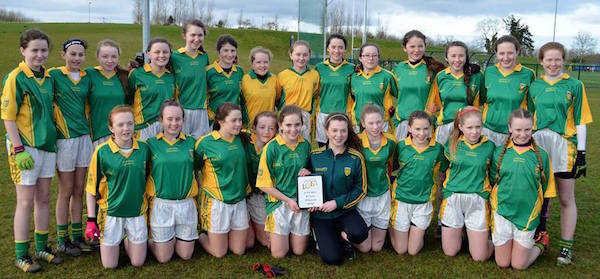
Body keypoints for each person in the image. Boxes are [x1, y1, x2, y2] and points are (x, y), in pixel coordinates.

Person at [528, 42, 592, 266]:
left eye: (557, 59)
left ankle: (566, 247)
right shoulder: (534, 86)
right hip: (538, 143)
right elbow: (527, 117)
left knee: (566, 198)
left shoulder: (575, 85)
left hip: (564, 146)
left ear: (564, 60)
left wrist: (582, 153)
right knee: (539, 193)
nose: (553, 63)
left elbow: (581, 121)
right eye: (549, 59)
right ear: (541, 61)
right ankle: (538, 235)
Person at [2, 29, 61, 273]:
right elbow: (8, 117)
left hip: (47, 145)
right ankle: (21, 254)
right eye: (34, 50)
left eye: (43, 50)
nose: (39, 55)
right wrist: (18, 148)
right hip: (25, 147)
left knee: (44, 198)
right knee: (25, 201)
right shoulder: (16, 77)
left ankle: (41, 247)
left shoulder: (48, 78)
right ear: (23, 50)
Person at [489, 109, 556, 270]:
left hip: (528, 216)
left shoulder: (542, 156)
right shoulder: (499, 153)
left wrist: (543, 223)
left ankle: (540, 244)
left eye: (527, 129)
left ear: (533, 128)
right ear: (510, 128)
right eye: (518, 129)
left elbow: (547, 192)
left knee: (519, 265)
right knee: (503, 263)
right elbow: (492, 184)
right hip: (502, 212)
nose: (523, 134)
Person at [85, 105, 150, 268]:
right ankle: (119, 237)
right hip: (111, 214)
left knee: (137, 262)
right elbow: (91, 189)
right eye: (120, 125)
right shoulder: (101, 152)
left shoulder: (144, 148)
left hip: (137, 212)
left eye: (129, 123)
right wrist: (91, 220)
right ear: (111, 128)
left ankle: (128, 237)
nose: (126, 128)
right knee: (109, 266)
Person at [50, 38, 93, 257]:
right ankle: (61, 239)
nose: (76, 58)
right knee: (65, 190)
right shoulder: (54, 75)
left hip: (84, 137)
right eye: (72, 54)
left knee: (79, 189)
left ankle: (76, 236)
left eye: (80, 54)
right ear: (63, 55)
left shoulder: (87, 77)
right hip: (65, 139)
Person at [308, 113, 368, 265]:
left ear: (348, 132)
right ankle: (326, 237)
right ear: (327, 132)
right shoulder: (314, 156)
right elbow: (306, 185)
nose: (339, 135)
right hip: (322, 215)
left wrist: (337, 203)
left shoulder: (356, 157)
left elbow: (361, 189)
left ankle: (341, 236)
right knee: (332, 259)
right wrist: (304, 175)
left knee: (360, 234)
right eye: (334, 130)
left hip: (344, 211)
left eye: (343, 131)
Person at [195, 102, 251, 258]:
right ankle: (200, 235)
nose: (238, 124)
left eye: (240, 120)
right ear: (220, 121)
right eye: (234, 120)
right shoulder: (205, 143)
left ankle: (221, 235)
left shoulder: (243, 138)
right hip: (217, 201)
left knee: (239, 250)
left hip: (239, 199)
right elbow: (197, 167)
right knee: (219, 253)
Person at [439, 106, 495, 261]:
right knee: (450, 251)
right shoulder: (451, 144)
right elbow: (443, 172)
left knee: (479, 257)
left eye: (478, 127)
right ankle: (464, 234)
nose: (474, 131)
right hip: (453, 198)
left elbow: (492, 175)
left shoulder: (489, 146)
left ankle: (500, 242)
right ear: (461, 126)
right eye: (469, 127)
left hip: (477, 199)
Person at [256, 105, 312, 258]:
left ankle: (279, 234)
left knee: (299, 251)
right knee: (279, 254)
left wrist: (308, 172)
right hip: (279, 203)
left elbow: (311, 174)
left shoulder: (305, 145)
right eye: (288, 125)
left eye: (297, 125)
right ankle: (270, 231)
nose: (293, 129)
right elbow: (263, 184)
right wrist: (288, 200)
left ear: (302, 125)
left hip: (300, 203)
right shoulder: (272, 148)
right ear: (280, 125)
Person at [146, 100, 198, 263]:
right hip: (162, 205)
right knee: (163, 258)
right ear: (161, 120)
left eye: (178, 119)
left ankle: (172, 238)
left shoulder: (192, 142)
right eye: (169, 119)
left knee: (185, 255)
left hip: (186, 203)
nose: (174, 123)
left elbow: (198, 172)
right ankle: (140, 241)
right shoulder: (150, 144)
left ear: (183, 120)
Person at [389, 110, 445, 256]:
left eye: (426, 129)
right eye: (417, 129)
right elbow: (393, 168)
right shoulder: (401, 146)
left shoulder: (437, 149)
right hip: (402, 199)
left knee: (413, 251)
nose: (422, 133)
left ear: (431, 128)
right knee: (401, 250)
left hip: (423, 201)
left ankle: (415, 230)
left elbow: (442, 172)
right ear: (409, 128)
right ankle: (389, 224)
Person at [355, 104, 397, 253]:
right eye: (371, 123)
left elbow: (393, 164)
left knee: (377, 247)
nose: (375, 127)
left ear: (383, 121)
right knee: (365, 248)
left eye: (378, 122)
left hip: (382, 193)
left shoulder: (391, 141)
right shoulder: (356, 141)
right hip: (364, 195)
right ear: (363, 123)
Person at [426, 41, 484, 145]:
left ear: (466, 57)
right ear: (446, 58)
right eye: (453, 56)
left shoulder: (477, 76)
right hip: (445, 125)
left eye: (461, 56)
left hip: (469, 127)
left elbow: (483, 100)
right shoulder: (441, 76)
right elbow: (434, 104)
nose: (457, 60)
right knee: (442, 158)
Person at [480, 35, 535, 146]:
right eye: (501, 53)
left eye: (510, 53)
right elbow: (482, 99)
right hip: (488, 130)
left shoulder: (528, 74)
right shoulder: (489, 72)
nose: (506, 58)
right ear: (496, 53)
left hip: (515, 133)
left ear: (517, 52)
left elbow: (532, 107)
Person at [392, 30, 445, 140]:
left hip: (425, 124)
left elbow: (455, 73)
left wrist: (470, 68)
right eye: (412, 46)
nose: (416, 50)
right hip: (403, 122)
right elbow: (394, 93)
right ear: (404, 48)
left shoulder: (434, 68)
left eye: (420, 46)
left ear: (425, 47)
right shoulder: (398, 69)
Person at [129, 37, 176, 140]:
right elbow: (128, 100)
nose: (161, 55)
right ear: (149, 53)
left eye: (165, 52)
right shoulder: (137, 74)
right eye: (157, 52)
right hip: (143, 128)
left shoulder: (172, 77)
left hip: (166, 128)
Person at [171, 19, 211, 138]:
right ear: (184, 35)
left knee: (200, 148)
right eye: (192, 35)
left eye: (200, 35)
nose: (197, 39)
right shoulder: (174, 57)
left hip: (201, 111)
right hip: (181, 110)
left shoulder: (204, 57)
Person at [86, 39, 129, 148]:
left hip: (121, 134)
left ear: (118, 57)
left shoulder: (125, 76)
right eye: (105, 56)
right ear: (97, 57)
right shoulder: (89, 74)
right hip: (98, 133)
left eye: (114, 57)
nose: (109, 60)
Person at [314, 34, 355, 146]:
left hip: (344, 115)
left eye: (340, 47)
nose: (337, 50)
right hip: (323, 114)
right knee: (324, 149)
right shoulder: (319, 68)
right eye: (333, 47)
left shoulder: (352, 68)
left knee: (343, 149)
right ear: (328, 48)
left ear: (345, 49)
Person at [246, 111, 278, 248]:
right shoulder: (244, 144)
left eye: (271, 128)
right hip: (250, 196)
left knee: (271, 243)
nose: (267, 132)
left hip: (269, 195)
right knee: (253, 243)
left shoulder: (277, 147)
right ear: (253, 128)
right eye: (262, 127)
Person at [277, 40, 320, 142]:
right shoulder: (282, 75)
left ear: (309, 56)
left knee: (303, 146)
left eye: (305, 55)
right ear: (291, 55)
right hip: (287, 115)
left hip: (305, 116)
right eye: (298, 54)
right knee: (285, 145)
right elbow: (278, 98)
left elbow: (314, 95)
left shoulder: (314, 75)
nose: (301, 58)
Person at [350, 43, 398, 133]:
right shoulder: (354, 77)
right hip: (358, 122)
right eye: (367, 55)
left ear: (378, 57)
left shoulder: (388, 76)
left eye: (374, 55)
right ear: (360, 58)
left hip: (380, 123)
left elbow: (402, 96)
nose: (371, 58)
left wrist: (393, 114)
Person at [206, 35, 244, 124]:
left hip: (234, 120)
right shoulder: (209, 71)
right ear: (218, 52)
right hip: (214, 120)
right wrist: (211, 116)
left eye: (233, 50)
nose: (230, 54)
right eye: (225, 50)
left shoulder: (239, 71)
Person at [241, 47, 280, 127]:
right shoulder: (244, 79)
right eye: (258, 62)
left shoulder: (274, 79)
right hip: (250, 127)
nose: (262, 65)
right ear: (252, 64)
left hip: (269, 126)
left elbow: (278, 102)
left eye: (266, 62)